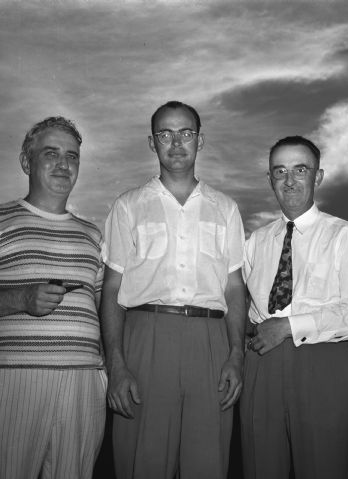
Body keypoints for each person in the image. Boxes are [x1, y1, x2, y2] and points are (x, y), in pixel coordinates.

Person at [0, 117, 106, 479]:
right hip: (8, 383)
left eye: (72, 156)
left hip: (83, 386)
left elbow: (104, 310)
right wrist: (22, 298)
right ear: (26, 162)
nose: (63, 164)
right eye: (50, 153)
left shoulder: (93, 235)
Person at [101, 100, 246, 479]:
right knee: (142, 460)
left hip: (211, 342)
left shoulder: (225, 208)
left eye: (186, 133)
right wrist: (116, 364)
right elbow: (112, 287)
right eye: (165, 133)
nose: (176, 142)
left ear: (201, 141)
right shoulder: (128, 206)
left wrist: (236, 355)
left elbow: (234, 289)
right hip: (146, 338)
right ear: (152, 143)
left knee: (208, 462)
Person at [241, 135, 348, 479]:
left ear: (318, 177)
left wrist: (288, 327)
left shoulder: (343, 235)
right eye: (279, 171)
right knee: (261, 466)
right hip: (262, 363)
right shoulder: (256, 241)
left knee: (323, 466)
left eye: (300, 170)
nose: (289, 181)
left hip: (323, 361)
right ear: (269, 179)